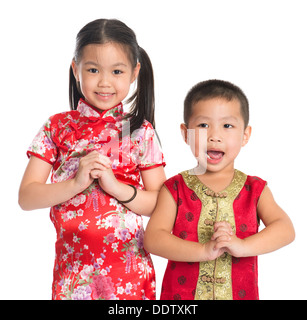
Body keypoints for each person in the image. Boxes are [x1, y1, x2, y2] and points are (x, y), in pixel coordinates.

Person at [19, 19, 166, 300]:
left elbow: (161, 203)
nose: (104, 82)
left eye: (117, 71)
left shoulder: (140, 131)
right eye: (93, 69)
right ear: (76, 69)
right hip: (73, 274)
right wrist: (75, 183)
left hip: (128, 272)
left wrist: (116, 188)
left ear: (134, 72)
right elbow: (27, 197)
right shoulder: (57, 127)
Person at [144, 79, 295, 300]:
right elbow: (153, 239)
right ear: (186, 134)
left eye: (227, 126)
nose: (215, 135)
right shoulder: (175, 188)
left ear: (245, 135)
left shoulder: (255, 189)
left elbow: (285, 229)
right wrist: (204, 251)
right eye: (203, 125)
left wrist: (242, 246)